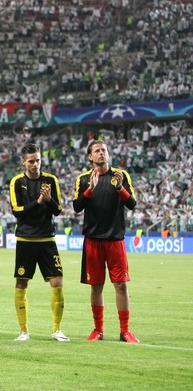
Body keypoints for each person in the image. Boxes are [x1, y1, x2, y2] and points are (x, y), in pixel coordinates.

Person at [73, 140, 139, 343]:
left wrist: (120, 188)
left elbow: (132, 204)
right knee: (96, 286)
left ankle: (125, 331)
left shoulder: (121, 175)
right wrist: (89, 190)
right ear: (90, 157)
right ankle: (98, 330)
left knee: (121, 285)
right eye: (97, 151)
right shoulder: (84, 179)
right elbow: (77, 206)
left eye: (104, 150)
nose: (102, 153)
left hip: (115, 239)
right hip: (93, 241)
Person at [9, 143, 70, 342]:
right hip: (25, 239)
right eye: (31, 161)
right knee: (21, 283)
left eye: (38, 160)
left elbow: (58, 210)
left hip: (47, 239)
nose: (35, 164)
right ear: (23, 162)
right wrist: (38, 202)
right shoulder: (17, 182)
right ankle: (24, 331)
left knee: (57, 282)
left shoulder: (51, 180)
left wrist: (49, 199)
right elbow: (17, 211)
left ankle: (57, 330)